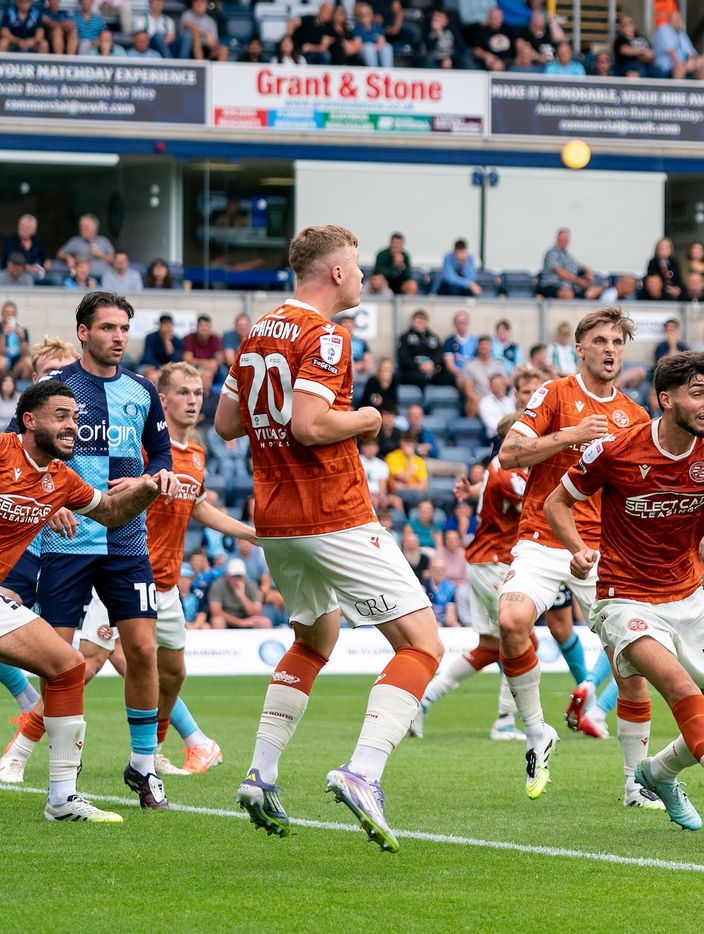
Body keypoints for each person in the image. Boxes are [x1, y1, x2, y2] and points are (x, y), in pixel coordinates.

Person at [217, 225, 445, 853]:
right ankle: (363, 772)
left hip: (276, 518)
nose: (364, 277)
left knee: (314, 640)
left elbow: (227, 422)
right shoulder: (325, 336)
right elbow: (311, 425)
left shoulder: (258, 331)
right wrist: (367, 418)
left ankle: (261, 775)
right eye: (358, 267)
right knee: (423, 644)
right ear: (337, 272)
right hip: (331, 511)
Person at [543, 350, 704, 846]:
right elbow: (558, 503)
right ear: (666, 399)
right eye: (697, 393)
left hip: (688, 600)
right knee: (683, 692)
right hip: (624, 600)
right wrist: (578, 549)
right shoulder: (617, 449)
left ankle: (658, 771)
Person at [59, 363, 255, 777]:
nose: (193, 401)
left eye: (198, 393)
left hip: (165, 584)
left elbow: (197, 507)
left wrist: (250, 533)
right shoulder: (144, 450)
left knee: (172, 672)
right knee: (90, 662)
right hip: (125, 570)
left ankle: (159, 750)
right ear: (161, 400)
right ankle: (20, 751)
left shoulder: (196, 454)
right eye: (183, 392)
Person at [21, 292, 175, 809]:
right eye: (108, 327)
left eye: (124, 328)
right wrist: (45, 502)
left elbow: (161, 454)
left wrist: (155, 477)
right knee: (57, 660)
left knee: (144, 651)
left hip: (126, 541)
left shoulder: (142, 390)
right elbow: (19, 457)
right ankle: (64, 773)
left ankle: (144, 766)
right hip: (66, 543)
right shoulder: (53, 389)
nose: (119, 337)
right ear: (83, 332)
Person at [494, 307, 650, 802]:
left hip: (603, 550)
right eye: (600, 341)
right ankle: (536, 732)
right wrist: (570, 435)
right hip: (543, 537)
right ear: (580, 349)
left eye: (617, 342)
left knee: (631, 664)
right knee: (511, 622)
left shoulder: (635, 416)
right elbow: (509, 454)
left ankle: (635, 783)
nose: (610, 350)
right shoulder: (555, 393)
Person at [414, 416, 534, 743]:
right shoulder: (510, 473)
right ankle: (505, 721)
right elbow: (536, 501)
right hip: (494, 563)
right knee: (524, 640)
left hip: (485, 562)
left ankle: (424, 699)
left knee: (491, 647)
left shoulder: (499, 467)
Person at [537, 228, 603, 301]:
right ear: (557, 239)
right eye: (562, 239)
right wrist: (580, 281)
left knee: (594, 291)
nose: (564, 242)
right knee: (567, 294)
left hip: (569, 287)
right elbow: (560, 272)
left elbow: (579, 266)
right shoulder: (551, 253)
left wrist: (588, 272)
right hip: (551, 286)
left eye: (566, 240)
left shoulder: (568, 256)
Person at [56, 213, 114, 279]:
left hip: (104, 279)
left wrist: (101, 255)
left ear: (94, 229)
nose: (82, 229)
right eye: (81, 226)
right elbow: (59, 254)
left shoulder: (104, 241)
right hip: (82, 280)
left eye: (86, 227)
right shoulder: (75, 241)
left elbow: (115, 260)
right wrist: (67, 257)